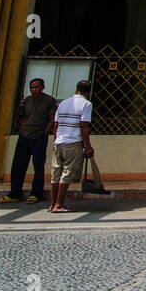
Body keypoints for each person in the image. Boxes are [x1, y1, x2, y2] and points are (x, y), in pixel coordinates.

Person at [0, 78, 58, 203]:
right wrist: (22, 128)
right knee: (18, 165)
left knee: (38, 165)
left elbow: (52, 118)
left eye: (36, 87)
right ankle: (15, 192)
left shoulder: (49, 101)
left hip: (39, 137)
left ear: (42, 87)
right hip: (24, 135)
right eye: (32, 87)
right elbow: (23, 116)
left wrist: (45, 132)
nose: (34, 90)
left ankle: (36, 193)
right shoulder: (27, 101)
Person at [48, 80, 94, 214]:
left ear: (76, 89)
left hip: (59, 142)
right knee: (67, 174)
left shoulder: (63, 103)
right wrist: (88, 146)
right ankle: (59, 204)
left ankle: (52, 204)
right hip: (73, 142)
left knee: (56, 173)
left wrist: (56, 140)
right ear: (88, 92)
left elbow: (55, 125)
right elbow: (84, 127)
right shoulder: (86, 104)